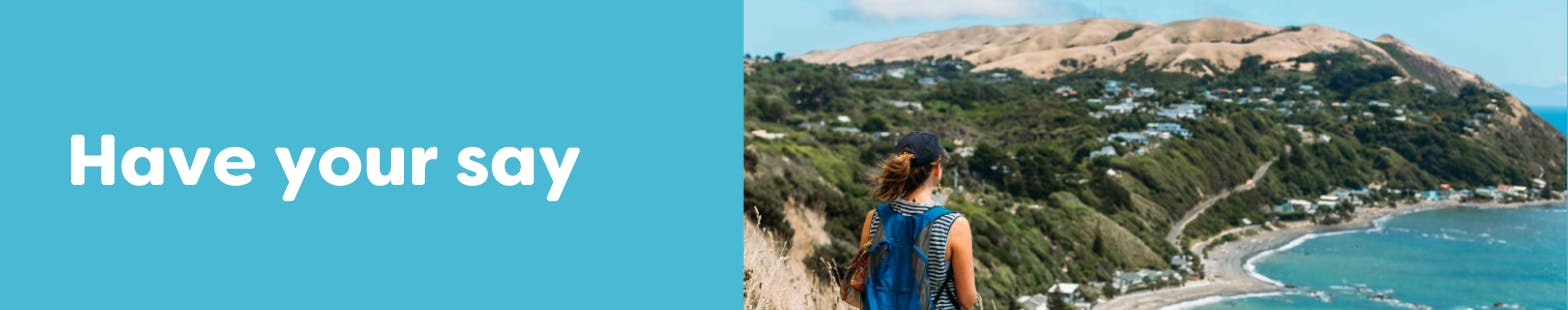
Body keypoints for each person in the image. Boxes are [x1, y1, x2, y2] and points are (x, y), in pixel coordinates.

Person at [855, 131, 978, 309]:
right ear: (936, 169)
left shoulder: (874, 217)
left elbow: (865, 283)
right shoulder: (955, 224)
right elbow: (968, 300)